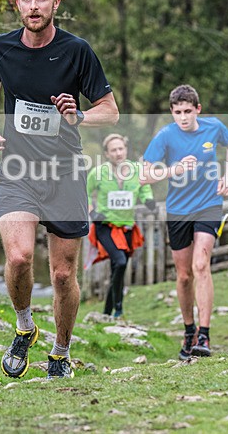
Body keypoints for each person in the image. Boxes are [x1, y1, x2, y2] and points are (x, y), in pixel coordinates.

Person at [0, 0, 119, 379]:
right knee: (19, 257)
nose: (34, 6)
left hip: (66, 172)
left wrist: (78, 117)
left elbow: (109, 112)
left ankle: (60, 352)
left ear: (56, 2)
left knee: (61, 275)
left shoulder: (77, 51)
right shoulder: (1, 47)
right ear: (16, 3)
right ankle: (25, 328)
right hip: (19, 169)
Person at [141, 84, 228, 360]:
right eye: (177, 112)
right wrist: (172, 170)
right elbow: (143, 176)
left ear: (198, 109)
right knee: (184, 275)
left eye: (187, 111)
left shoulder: (214, 127)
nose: (183, 117)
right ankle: (189, 330)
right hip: (178, 210)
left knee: (201, 265)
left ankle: (205, 336)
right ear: (172, 113)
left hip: (209, 205)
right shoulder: (165, 136)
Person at [87, 133, 154, 318]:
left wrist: (148, 200)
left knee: (118, 267)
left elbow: (145, 187)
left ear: (126, 150)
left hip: (127, 227)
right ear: (107, 154)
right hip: (105, 226)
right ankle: (118, 309)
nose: (118, 153)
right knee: (120, 262)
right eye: (113, 150)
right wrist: (92, 212)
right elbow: (84, 192)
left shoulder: (136, 170)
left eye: (120, 149)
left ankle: (107, 312)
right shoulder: (98, 173)